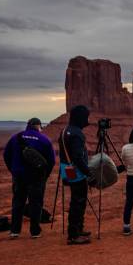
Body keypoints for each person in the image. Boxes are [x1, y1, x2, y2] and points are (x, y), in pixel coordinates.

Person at [3, 118, 55, 238]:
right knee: (35, 203)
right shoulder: (44, 139)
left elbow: (6, 155)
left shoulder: (16, 138)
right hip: (36, 177)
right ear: (38, 126)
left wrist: (13, 170)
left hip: (19, 176)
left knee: (18, 202)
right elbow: (51, 161)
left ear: (28, 125)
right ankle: (35, 232)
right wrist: (45, 175)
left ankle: (15, 231)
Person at [58, 105, 92, 244]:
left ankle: (78, 229)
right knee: (78, 202)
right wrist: (88, 172)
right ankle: (74, 235)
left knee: (76, 200)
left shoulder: (65, 130)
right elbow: (78, 157)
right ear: (80, 117)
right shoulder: (77, 133)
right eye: (86, 117)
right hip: (77, 172)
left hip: (66, 170)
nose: (87, 120)